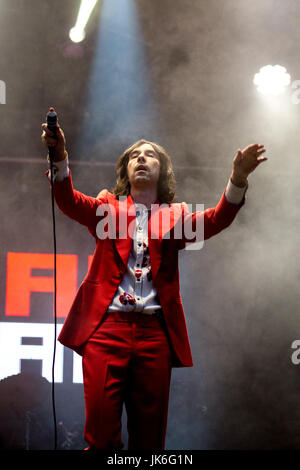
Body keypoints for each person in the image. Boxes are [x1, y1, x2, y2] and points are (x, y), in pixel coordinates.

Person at [41, 120, 267, 450]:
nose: (142, 158)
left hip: (154, 337)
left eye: (150, 155)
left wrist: (238, 179)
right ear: (126, 170)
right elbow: (69, 201)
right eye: (135, 156)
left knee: (149, 441)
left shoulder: (175, 216)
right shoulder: (108, 206)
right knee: (100, 436)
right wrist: (59, 155)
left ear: (162, 171)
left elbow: (216, 220)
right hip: (107, 331)